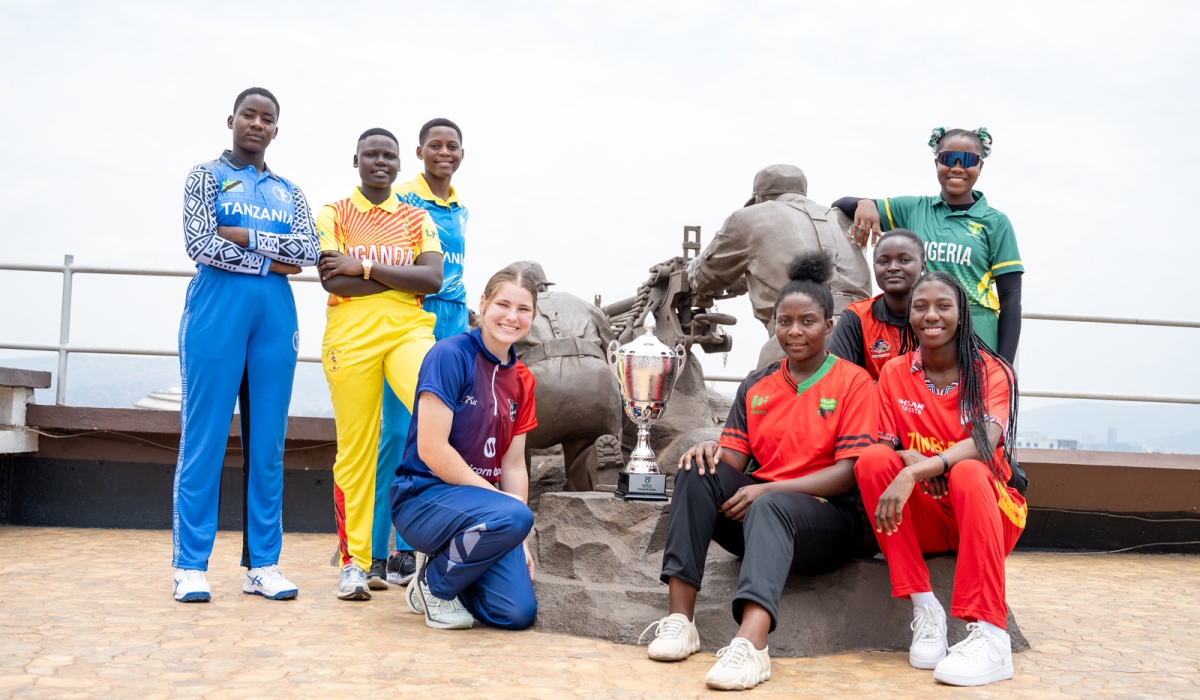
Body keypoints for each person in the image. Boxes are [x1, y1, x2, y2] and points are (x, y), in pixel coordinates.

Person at [641, 251, 879, 691]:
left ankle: (752, 644)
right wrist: (711, 451)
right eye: (784, 321)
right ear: (773, 324)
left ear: (829, 326)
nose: (794, 331)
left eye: (807, 321)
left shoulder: (854, 382)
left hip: (826, 522)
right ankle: (680, 621)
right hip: (756, 518)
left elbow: (849, 472)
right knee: (696, 468)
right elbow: (734, 460)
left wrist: (768, 491)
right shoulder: (757, 384)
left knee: (771, 506)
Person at [172, 87, 318, 603]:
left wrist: (246, 238)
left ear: (276, 129)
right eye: (248, 115)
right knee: (205, 437)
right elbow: (201, 243)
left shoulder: (289, 191)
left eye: (267, 118)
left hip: (274, 317)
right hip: (216, 310)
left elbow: (307, 250)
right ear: (231, 120)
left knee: (268, 445)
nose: (257, 123)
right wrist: (270, 261)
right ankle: (190, 565)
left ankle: (263, 564)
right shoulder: (204, 176)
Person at [854, 271, 1025, 687]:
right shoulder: (894, 373)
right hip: (928, 517)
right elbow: (883, 443)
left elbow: (985, 442)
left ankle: (992, 636)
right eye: (921, 306)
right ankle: (926, 607)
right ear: (909, 316)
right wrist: (903, 457)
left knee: (968, 470)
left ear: (962, 313)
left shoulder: (993, 371)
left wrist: (921, 467)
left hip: (988, 514)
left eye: (943, 306)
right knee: (872, 461)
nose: (931, 315)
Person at [316, 128, 443, 601]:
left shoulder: (416, 217)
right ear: (357, 161)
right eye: (371, 154)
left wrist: (365, 268)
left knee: (441, 419)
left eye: (389, 155)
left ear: (399, 163)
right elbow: (335, 282)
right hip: (350, 334)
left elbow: (432, 279)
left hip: (409, 331)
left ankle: (435, 553)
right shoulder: (334, 213)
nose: (380, 162)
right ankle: (354, 563)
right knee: (357, 450)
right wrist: (401, 278)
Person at [391, 266, 540, 631]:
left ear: (533, 316)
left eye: (523, 309)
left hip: (486, 513)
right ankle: (434, 587)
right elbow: (432, 450)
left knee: (516, 613)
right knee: (515, 514)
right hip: (422, 498)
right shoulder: (449, 355)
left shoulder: (523, 379)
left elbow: (513, 465)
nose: (512, 316)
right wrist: (506, 509)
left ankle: (441, 576)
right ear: (483, 303)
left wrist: (516, 536)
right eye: (503, 304)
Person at [833, 128, 1024, 363]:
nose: (957, 168)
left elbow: (1011, 296)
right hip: (928, 327)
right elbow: (842, 204)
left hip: (978, 331)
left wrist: (1005, 364)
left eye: (968, 160)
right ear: (936, 163)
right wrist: (865, 203)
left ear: (980, 166)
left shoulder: (995, 222)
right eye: (948, 158)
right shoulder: (915, 209)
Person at [378, 118, 469, 588]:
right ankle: (383, 549)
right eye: (435, 145)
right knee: (398, 431)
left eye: (452, 146)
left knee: (448, 433)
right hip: (413, 314)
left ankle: (429, 541)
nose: (444, 152)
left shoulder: (461, 208)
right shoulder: (403, 200)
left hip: (454, 319)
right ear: (419, 152)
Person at [687, 164, 871, 369]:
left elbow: (703, 279)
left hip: (800, 341)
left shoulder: (749, 217)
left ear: (759, 198)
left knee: (761, 388)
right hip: (867, 337)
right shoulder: (843, 219)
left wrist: (688, 269)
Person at [828, 229, 925, 379]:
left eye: (904, 260)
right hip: (869, 395)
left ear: (922, 267)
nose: (893, 267)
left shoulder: (938, 315)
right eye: (883, 262)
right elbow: (837, 377)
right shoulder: (857, 317)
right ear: (874, 267)